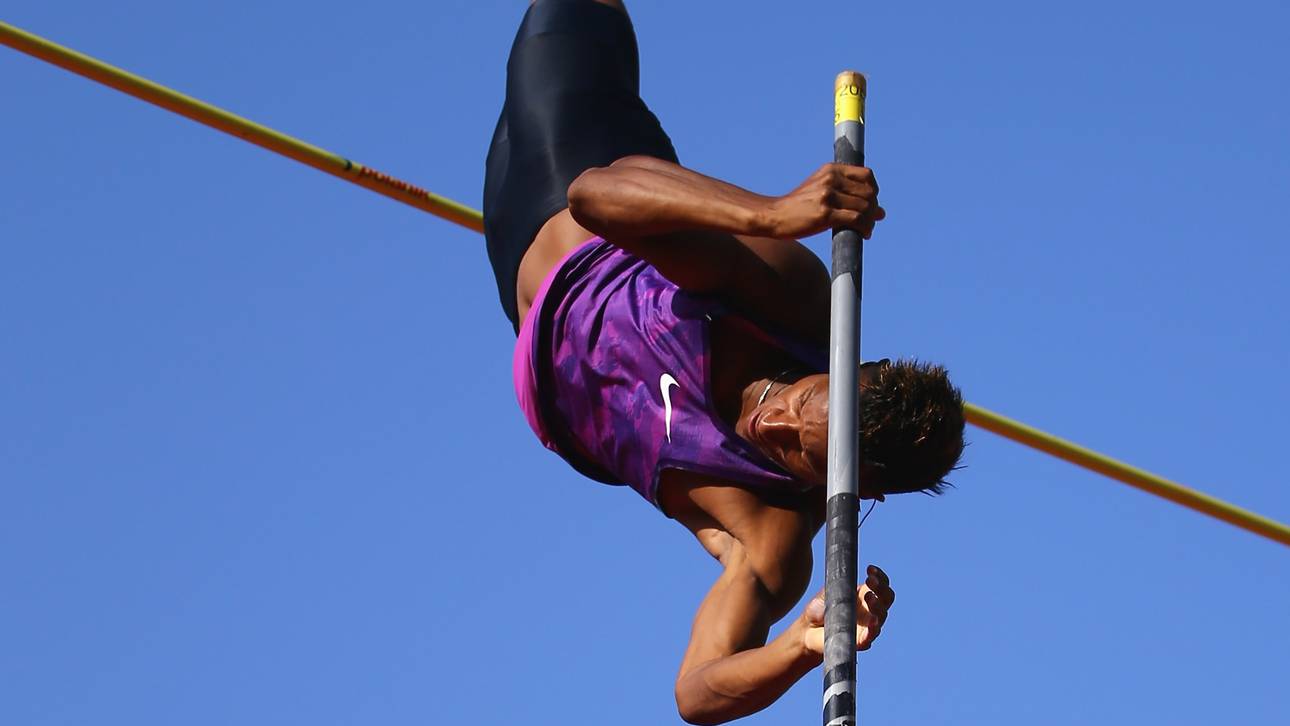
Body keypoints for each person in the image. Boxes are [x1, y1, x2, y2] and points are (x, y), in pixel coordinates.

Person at [484, 1, 965, 723]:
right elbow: (596, 194)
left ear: (853, 483)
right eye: (811, 396)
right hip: (565, 182)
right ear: (851, 366)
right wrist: (773, 215)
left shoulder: (772, 534)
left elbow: (697, 691)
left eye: (806, 444)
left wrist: (802, 647)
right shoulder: (794, 302)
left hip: (520, 295)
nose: (780, 420)